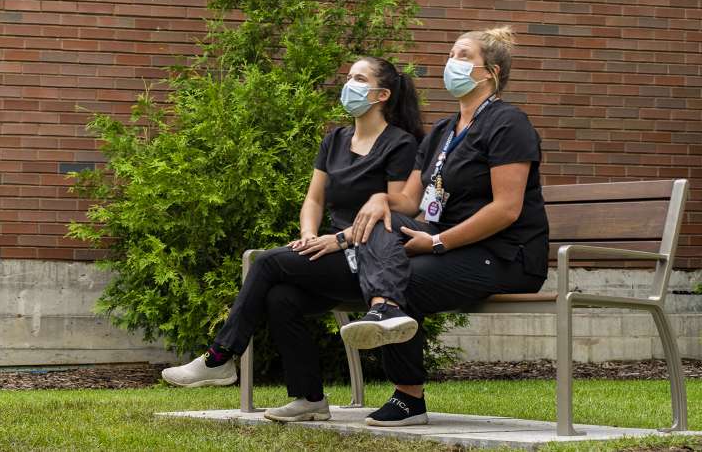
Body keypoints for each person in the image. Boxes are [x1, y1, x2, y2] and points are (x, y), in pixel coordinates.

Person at [161, 56, 425, 423]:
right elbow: (314, 199)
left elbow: (393, 214)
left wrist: (340, 240)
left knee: (266, 262)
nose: (348, 84)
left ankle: (220, 357)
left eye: (359, 78)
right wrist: (308, 235)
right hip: (332, 251)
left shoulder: (400, 143)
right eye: (348, 76)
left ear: (381, 94)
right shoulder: (335, 139)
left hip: (372, 258)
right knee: (280, 296)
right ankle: (309, 398)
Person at [342, 26, 550, 427]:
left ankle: (407, 398)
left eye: (462, 55)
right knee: (386, 220)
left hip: (507, 255)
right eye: (450, 54)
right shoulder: (442, 130)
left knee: (405, 279)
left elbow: (507, 210)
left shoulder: (508, 124)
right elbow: (411, 201)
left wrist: (437, 241)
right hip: (454, 249)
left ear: (488, 72)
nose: (450, 63)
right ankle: (384, 309)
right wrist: (382, 199)